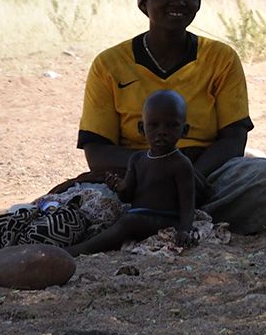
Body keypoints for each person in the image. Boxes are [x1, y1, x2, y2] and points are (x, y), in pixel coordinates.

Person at [79, 0, 266, 234]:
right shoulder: (109, 64)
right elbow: (97, 151)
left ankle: (160, 218)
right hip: (136, 177)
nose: (177, 2)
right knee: (88, 204)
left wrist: (189, 178)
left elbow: (234, 139)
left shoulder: (221, 58)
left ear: (198, 2)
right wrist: (159, 170)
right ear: (144, 3)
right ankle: (183, 217)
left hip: (206, 175)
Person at [70, 90, 197, 255]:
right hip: (137, 215)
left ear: (184, 130)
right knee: (114, 214)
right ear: (141, 129)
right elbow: (127, 196)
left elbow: (188, 205)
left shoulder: (181, 164)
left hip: (164, 219)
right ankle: (87, 243)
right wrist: (118, 186)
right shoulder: (137, 159)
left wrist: (184, 230)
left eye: (172, 125)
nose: (162, 131)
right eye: (153, 125)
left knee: (129, 221)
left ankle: (79, 250)